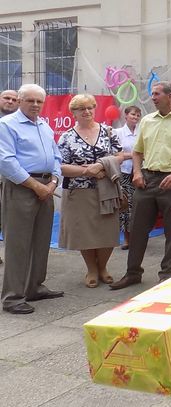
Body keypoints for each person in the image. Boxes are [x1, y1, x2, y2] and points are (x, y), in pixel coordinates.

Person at [109, 81, 171, 289]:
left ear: (170, 96)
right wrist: (137, 172)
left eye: (157, 94)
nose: (152, 97)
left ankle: (167, 275)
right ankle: (133, 273)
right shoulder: (147, 121)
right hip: (146, 180)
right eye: (152, 94)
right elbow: (137, 152)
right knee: (136, 228)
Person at [0, 84, 63, 314]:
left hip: (46, 187)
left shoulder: (44, 126)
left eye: (39, 101)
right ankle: (13, 298)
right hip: (22, 188)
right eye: (30, 100)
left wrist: (53, 182)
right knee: (18, 244)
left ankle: (34, 287)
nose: (35, 105)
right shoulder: (7, 125)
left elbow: (56, 157)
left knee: (41, 241)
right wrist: (36, 186)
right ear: (19, 101)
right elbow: (6, 161)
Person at [57, 94, 123, 288]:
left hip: (107, 190)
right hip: (79, 192)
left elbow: (120, 155)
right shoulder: (67, 137)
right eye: (81, 109)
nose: (86, 111)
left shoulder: (108, 131)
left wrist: (101, 165)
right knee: (84, 232)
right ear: (74, 113)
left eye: (90, 107)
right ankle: (91, 269)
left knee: (107, 231)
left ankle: (102, 267)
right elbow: (61, 166)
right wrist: (87, 171)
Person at [113, 105, 142, 250]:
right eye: (133, 114)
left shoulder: (141, 132)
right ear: (126, 116)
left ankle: (138, 236)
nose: (135, 117)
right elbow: (115, 154)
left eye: (137, 115)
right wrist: (133, 155)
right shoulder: (118, 133)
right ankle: (126, 237)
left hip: (140, 172)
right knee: (125, 205)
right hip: (124, 173)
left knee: (138, 205)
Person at [0, 90, 19, 264]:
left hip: (15, 179)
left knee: (10, 221)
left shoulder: (21, 123)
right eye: (7, 98)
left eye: (14, 99)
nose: (10, 101)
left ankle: (15, 259)